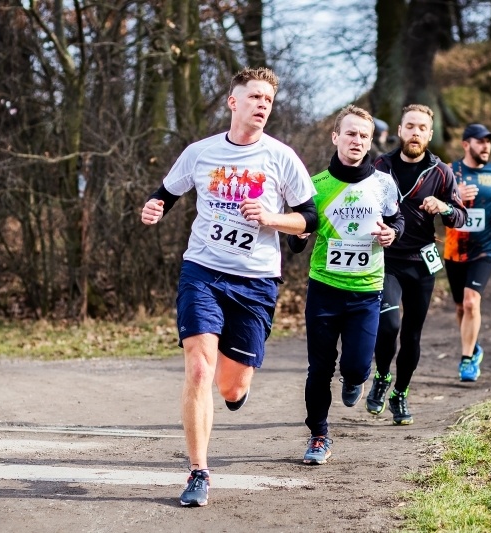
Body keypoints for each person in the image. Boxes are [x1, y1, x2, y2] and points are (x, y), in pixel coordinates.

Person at [140, 67, 318, 507]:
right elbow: (167, 191)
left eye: (268, 100)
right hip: (202, 271)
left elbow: (309, 219)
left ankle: (235, 381)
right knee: (199, 368)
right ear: (232, 102)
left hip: (255, 281)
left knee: (231, 388)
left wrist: (272, 218)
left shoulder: (281, 158)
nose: (262, 105)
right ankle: (198, 471)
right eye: (254, 96)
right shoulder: (200, 153)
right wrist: (155, 206)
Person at [287, 105, 403, 465]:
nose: (356, 140)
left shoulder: (383, 183)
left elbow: (397, 219)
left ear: (371, 142)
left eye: (363, 136)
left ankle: (356, 379)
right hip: (324, 288)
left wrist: (391, 233)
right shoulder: (316, 185)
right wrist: (301, 236)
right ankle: (318, 434)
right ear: (335, 137)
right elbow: (296, 237)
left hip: (366, 291)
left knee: (354, 367)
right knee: (319, 368)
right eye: (350, 133)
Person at [364, 104, 467, 425]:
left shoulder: (441, 173)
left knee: (411, 334)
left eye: (422, 128)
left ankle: (400, 394)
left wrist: (445, 207)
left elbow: (461, 217)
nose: (415, 133)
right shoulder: (380, 165)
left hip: (422, 263)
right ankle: (381, 376)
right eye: (410, 126)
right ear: (400, 130)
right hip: (388, 260)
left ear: (430, 134)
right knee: (390, 324)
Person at [443, 123, 491, 382]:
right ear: (466, 144)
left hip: (485, 248)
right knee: (461, 306)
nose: (486, 146)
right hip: (455, 250)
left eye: (488, 142)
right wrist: (454, 194)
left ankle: (467, 359)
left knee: (472, 302)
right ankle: (474, 345)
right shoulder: (451, 171)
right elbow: (438, 203)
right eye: (480, 141)